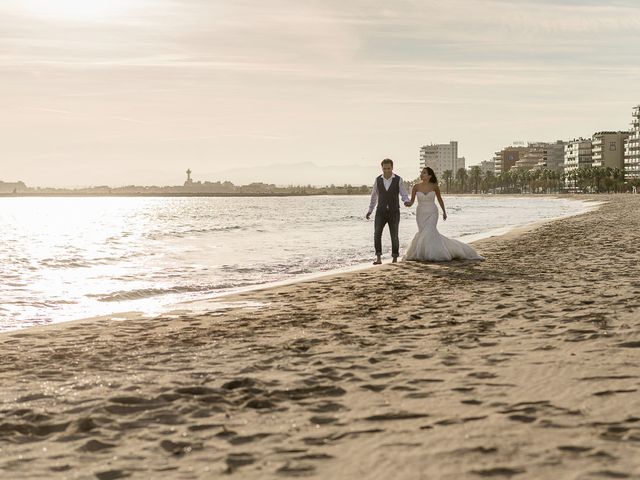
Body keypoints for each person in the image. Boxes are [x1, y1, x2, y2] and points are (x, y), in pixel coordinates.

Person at [403, 167, 484, 262]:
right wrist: (407, 204)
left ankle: (434, 253)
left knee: (430, 231)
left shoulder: (434, 186)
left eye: (424, 173)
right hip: (420, 213)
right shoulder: (416, 187)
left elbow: (439, 199)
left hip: (432, 212)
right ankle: (424, 253)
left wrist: (444, 212)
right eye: (421, 172)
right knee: (423, 233)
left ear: (429, 176)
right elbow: (412, 201)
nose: (422, 174)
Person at [366, 158, 410, 264]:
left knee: (394, 235)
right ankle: (378, 258)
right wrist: (370, 210)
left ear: (392, 167)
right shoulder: (378, 180)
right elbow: (374, 196)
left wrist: (406, 201)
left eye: (388, 168)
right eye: (384, 168)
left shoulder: (398, 179)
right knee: (377, 234)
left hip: (394, 211)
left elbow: (403, 194)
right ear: (382, 168)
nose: (386, 170)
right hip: (380, 211)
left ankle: (395, 258)